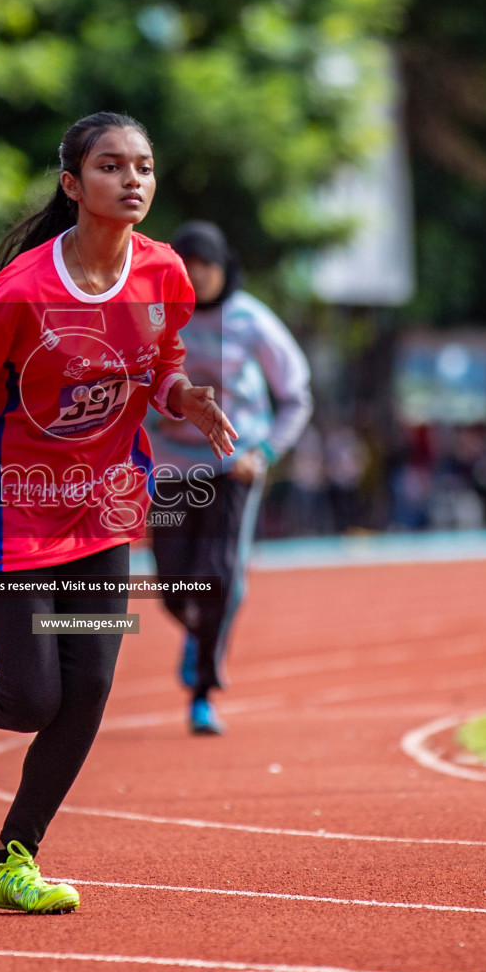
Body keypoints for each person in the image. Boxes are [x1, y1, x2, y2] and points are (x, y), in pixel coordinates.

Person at [0, 112, 236, 914]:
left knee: (89, 693)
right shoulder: (15, 295)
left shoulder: (165, 273)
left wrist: (181, 397)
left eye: (143, 166)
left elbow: (159, 359)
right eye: (111, 167)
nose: (133, 180)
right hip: (11, 514)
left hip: (105, 513)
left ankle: (13, 861)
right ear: (73, 185)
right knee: (32, 696)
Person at [147, 221, 312, 735]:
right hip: (170, 468)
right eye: (187, 267)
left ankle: (202, 693)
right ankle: (197, 636)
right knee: (174, 585)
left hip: (229, 467)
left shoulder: (251, 322)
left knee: (219, 576)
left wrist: (261, 452)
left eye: (207, 267)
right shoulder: (154, 315)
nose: (196, 277)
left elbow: (296, 395)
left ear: (224, 269)